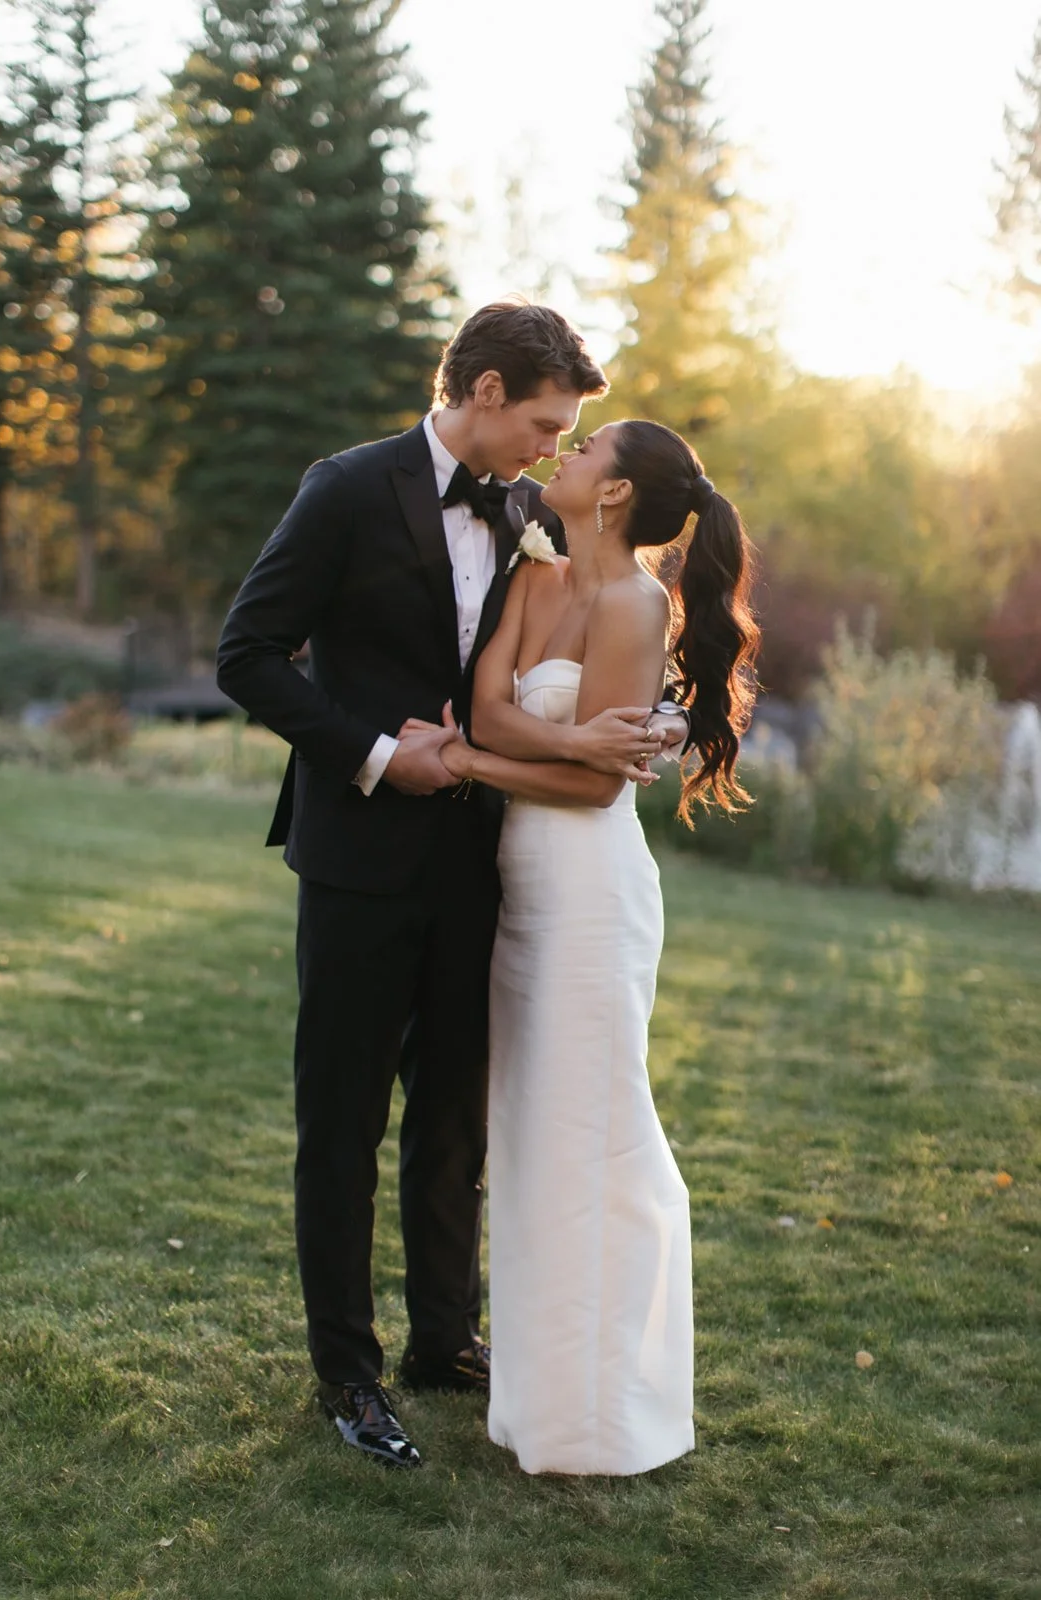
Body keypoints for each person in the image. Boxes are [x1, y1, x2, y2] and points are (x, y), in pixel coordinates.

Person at [215, 302, 689, 1469]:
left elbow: (568, 651)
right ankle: (348, 1373)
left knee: (455, 1119)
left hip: (492, 863)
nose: (546, 444)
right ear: (481, 392)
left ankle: (443, 1339)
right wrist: (377, 755)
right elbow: (246, 654)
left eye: (562, 432)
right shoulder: (345, 489)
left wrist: (652, 716)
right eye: (539, 421)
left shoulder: (535, 512)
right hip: (361, 859)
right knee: (344, 1120)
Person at [429, 417, 759, 1474]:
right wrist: (562, 739)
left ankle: (603, 1413)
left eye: (584, 453)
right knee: (527, 1136)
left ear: (612, 495)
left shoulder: (632, 602)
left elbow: (566, 780)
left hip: (588, 894)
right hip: (520, 892)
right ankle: (538, 1400)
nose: (560, 459)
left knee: (591, 1134)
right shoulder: (536, 577)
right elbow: (488, 710)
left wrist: (487, 763)